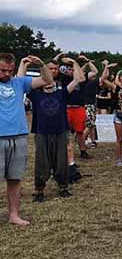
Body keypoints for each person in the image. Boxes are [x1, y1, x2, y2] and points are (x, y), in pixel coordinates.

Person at [0, 53, 53, 225]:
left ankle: (14, 215)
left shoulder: (20, 83)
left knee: (15, 178)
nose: (7, 74)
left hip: (19, 136)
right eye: (2, 70)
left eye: (10, 70)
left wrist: (41, 64)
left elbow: (47, 80)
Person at [26, 57, 82, 202]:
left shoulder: (62, 93)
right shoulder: (35, 94)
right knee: (41, 162)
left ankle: (63, 187)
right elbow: (21, 81)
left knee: (61, 161)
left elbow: (77, 80)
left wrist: (74, 63)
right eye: (48, 72)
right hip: (42, 132)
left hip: (60, 132)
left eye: (54, 71)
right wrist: (24, 64)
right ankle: (39, 190)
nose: (50, 76)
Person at [99, 61, 122, 166]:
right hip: (118, 115)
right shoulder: (116, 87)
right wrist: (106, 67)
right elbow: (103, 79)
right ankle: (119, 159)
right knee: (119, 139)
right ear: (119, 78)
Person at [80, 55, 99, 148]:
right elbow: (95, 71)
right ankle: (82, 140)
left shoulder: (80, 81)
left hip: (83, 105)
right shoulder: (91, 82)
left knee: (88, 124)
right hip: (90, 105)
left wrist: (86, 63)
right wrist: (88, 61)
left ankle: (88, 140)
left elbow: (79, 70)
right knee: (90, 124)